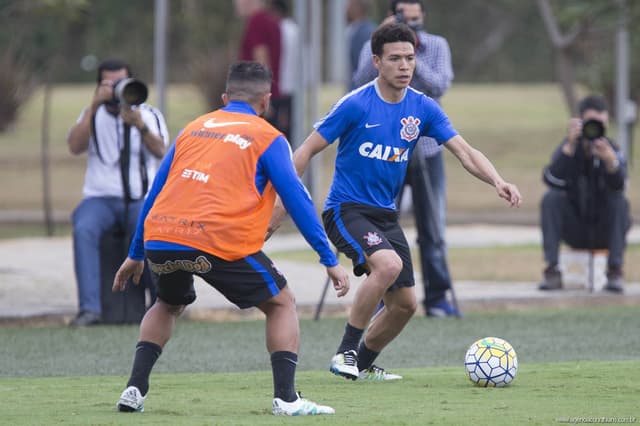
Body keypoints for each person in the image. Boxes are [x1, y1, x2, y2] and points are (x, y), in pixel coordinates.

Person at [268, 23, 521, 381]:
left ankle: (364, 364)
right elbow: (306, 150)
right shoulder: (355, 104)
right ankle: (345, 354)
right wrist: (282, 203)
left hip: (385, 216)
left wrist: (498, 180)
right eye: (395, 59)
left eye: (410, 58)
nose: (405, 66)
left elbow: (464, 152)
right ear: (376, 62)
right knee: (386, 267)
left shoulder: (423, 108)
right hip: (346, 210)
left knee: (405, 305)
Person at [113, 62, 350, 416]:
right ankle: (287, 399)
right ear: (266, 101)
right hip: (216, 239)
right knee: (281, 302)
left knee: (167, 302)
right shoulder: (269, 137)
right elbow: (296, 199)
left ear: (225, 98)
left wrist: (136, 253)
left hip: (162, 236)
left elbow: (155, 192)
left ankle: (134, 389)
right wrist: (328, 259)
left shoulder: (193, 128)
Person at [352, 0, 456, 317]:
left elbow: (439, 84)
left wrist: (409, 58)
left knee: (433, 229)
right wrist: (388, 45)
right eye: (403, 19)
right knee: (380, 225)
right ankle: (381, 296)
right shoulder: (377, 45)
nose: (412, 22)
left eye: (416, 18)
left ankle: (437, 298)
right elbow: (359, 83)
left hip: (426, 149)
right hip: (386, 151)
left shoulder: (437, 45)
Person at [67, 59, 169, 327]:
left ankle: (161, 303)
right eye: (108, 84)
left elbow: (162, 152)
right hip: (99, 198)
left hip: (140, 198)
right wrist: (94, 106)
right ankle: (89, 309)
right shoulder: (91, 114)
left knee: (147, 227)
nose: (115, 90)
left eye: (120, 83)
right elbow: (75, 146)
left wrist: (139, 126)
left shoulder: (148, 114)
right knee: (83, 227)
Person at [539, 95, 631, 293]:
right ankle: (552, 271)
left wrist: (610, 163)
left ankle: (615, 272)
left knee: (620, 202)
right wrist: (570, 148)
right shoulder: (568, 148)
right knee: (551, 199)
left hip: (603, 229)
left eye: (600, 122)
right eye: (591, 122)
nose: (594, 128)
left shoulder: (611, 150)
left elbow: (621, 185)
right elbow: (550, 179)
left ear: (606, 121)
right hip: (574, 227)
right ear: (580, 122)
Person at [234, 0, 289, 137]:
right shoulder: (271, 21)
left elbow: (261, 61)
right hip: (269, 96)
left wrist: (261, 98)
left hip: (258, 101)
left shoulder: (257, 22)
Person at [269, 0, 298, 140]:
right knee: (289, 126)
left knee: (277, 126)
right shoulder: (294, 29)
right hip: (292, 85)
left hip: (280, 85)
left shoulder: (278, 28)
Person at [346, 0, 376, 91]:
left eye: (349, 5)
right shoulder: (356, 29)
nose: (346, 9)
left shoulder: (365, 33)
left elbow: (361, 69)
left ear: (357, 8)